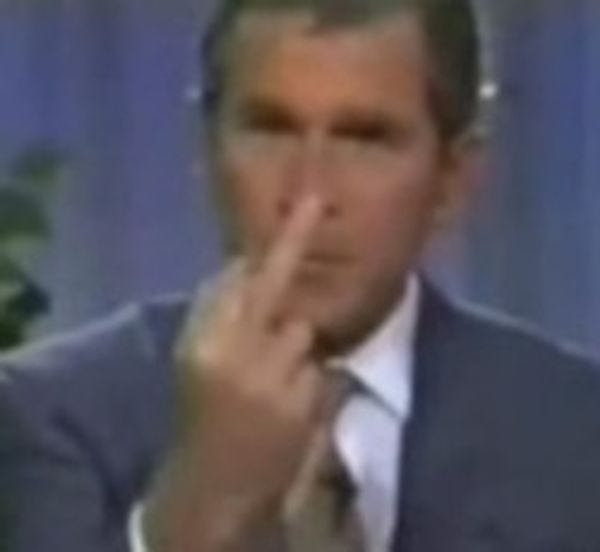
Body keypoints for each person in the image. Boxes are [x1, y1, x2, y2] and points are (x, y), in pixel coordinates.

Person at [2, 0, 600, 551]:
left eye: (366, 139)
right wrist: (202, 504)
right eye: (270, 129)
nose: (310, 193)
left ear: (454, 177)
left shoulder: (575, 428)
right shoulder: (50, 417)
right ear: (207, 151)